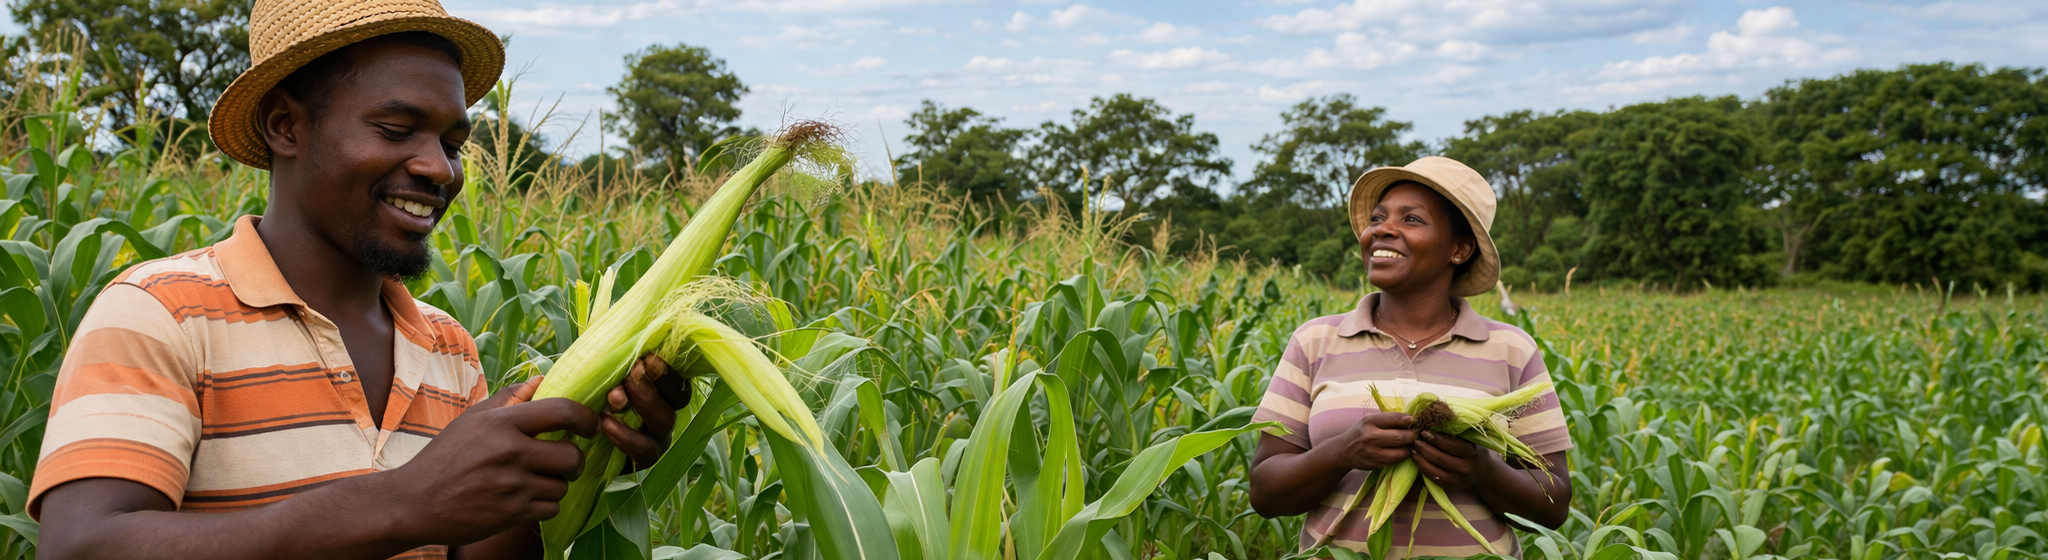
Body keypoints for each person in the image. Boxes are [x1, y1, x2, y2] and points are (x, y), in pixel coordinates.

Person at [26, 1, 689, 558]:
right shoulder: (161, 313)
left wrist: (588, 450)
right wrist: (403, 500)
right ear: (286, 125)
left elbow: (467, 543)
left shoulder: (447, 347)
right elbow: (82, 546)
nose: (439, 169)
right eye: (397, 129)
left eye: (452, 144)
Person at [1248, 157, 1574, 557]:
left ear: (1459, 249)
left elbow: (1554, 504)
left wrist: (1480, 471)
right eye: (1377, 218)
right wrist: (1342, 452)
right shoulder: (1315, 340)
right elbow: (1264, 494)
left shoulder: (1511, 349)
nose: (1383, 230)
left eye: (1412, 220)